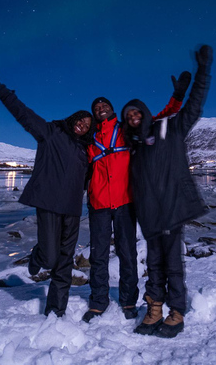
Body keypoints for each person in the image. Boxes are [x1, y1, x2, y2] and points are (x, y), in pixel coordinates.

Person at [0, 73, 92, 317]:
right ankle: (38, 253)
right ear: (74, 118)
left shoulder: (85, 150)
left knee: (64, 263)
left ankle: (55, 312)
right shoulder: (52, 132)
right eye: (81, 120)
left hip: (72, 210)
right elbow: (23, 114)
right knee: (51, 259)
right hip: (49, 204)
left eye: (87, 125)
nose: (83, 125)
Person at [82, 73, 191, 323]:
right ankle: (98, 302)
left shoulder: (125, 131)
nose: (100, 109)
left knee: (128, 254)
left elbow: (162, 116)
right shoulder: (90, 141)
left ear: (111, 109)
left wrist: (178, 96)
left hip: (125, 202)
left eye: (104, 105)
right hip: (98, 204)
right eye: (96, 107)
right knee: (98, 256)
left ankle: (129, 300)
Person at [120, 45, 212, 338]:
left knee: (173, 264)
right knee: (154, 264)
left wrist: (203, 70)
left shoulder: (169, 129)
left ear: (145, 113)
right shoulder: (132, 147)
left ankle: (177, 312)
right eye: (128, 115)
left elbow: (195, 106)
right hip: (149, 215)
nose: (134, 117)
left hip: (172, 209)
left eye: (137, 112)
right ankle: (154, 308)